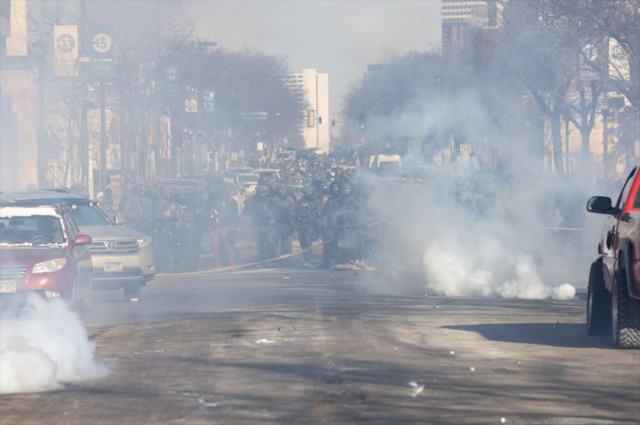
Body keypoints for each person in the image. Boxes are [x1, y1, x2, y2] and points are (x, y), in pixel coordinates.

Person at [209, 190, 238, 268]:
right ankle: (218, 265)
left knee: (228, 246)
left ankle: (231, 264)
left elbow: (234, 214)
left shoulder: (229, 201)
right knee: (216, 248)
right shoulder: (209, 202)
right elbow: (206, 214)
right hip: (214, 227)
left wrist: (233, 225)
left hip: (225, 227)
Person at [296, 186, 322, 266]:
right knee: (302, 241)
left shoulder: (316, 202)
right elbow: (296, 212)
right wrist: (296, 223)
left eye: (310, 191)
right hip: (301, 224)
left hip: (311, 224)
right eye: (307, 191)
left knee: (308, 241)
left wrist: (318, 230)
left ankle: (309, 260)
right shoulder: (300, 201)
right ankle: (305, 259)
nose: (309, 193)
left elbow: (319, 216)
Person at [318, 182, 342, 269]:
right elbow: (325, 211)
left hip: (338, 226)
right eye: (333, 187)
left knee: (337, 245)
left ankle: (338, 262)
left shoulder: (342, 199)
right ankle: (325, 263)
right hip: (328, 225)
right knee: (326, 244)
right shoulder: (330, 199)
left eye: (336, 187)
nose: (335, 189)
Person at [268, 184, 296, 258]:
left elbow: (293, 212)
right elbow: (270, 212)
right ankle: (274, 257)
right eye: (280, 189)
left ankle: (286, 258)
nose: (282, 191)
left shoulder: (290, 199)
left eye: (283, 189)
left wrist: (293, 224)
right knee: (274, 242)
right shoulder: (273, 199)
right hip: (276, 224)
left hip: (287, 224)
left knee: (287, 243)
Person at [153, 187, 176, 272]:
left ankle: (167, 267)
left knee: (169, 249)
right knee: (163, 249)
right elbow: (156, 215)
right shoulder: (159, 202)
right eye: (167, 191)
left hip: (169, 229)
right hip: (163, 229)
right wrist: (167, 218)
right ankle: (163, 267)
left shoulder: (170, 202)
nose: (169, 193)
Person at [251, 185, 276, 261]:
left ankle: (271, 258)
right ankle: (261, 259)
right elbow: (249, 211)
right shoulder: (255, 201)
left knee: (270, 244)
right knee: (259, 244)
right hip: (257, 226)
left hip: (267, 226)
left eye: (264, 192)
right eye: (261, 192)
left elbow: (275, 213)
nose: (262, 194)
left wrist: (267, 212)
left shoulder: (271, 201)